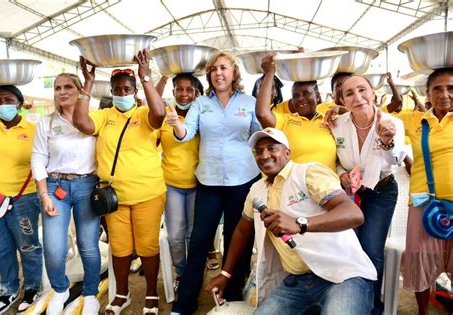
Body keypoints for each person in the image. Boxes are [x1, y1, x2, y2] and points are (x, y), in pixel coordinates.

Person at [206, 127, 377, 314]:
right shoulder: (256, 190)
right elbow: (242, 231)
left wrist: (299, 224)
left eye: (272, 148)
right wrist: (225, 274)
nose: (264, 155)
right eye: (259, 151)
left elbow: (353, 213)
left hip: (343, 274)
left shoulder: (308, 173)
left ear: (287, 152)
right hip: (297, 282)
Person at [73, 49, 166, 315]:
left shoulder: (145, 114)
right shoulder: (105, 116)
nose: (122, 93)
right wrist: (88, 83)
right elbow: (81, 122)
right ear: (112, 91)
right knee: (121, 248)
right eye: (118, 89)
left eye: (127, 89)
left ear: (135, 91)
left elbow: (159, 114)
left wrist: (146, 78)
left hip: (148, 194)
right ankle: (121, 294)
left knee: (148, 247)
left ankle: (150, 294)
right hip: (114, 199)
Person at [167, 51, 261, 314]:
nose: (218, 73)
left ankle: (233, 295)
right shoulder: (201, 104)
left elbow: (258, 135)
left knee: (237, 241)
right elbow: (187, 134)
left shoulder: (249, 102)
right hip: (208, 181)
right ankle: (185, 303)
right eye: (213, 69)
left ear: (233, 72)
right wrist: (177, 124)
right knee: (199, 241)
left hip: (243, 180)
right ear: (209, 75)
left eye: (223, 68)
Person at [328, 75, 406, 314]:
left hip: (381, 192)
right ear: (342, 100)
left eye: (363, 90)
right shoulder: (337, 123)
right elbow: (337, 160)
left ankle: (372, 305)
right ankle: (353, 300)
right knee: (349, 249)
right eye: (349, 93)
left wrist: (387, 140)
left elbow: (396, 161)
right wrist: (341, 174)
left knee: (372, 250)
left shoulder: (391, 123)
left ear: (373, 93)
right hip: (350, 194)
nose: (357, 97)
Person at [31, 73, 101, 314]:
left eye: (68, 87)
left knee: (88, 245)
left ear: (79, 90)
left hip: (87, 185)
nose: (62, 92)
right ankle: (60, 289)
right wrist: (43, 194)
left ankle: (91, 293)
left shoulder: (94, 120)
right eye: (58, 88)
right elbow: (38, 157)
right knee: (54, 247)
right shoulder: (47, 123)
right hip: (55, 186)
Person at [0, 85, 42, 313]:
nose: (2, 104)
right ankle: (8, 289)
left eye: (8, 99)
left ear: (19, 102)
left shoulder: (34, 129)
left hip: (24, 199)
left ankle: (33, 288)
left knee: (28, 246)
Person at [397, 67, 452, 315]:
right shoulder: (414, 121)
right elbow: (375, 116)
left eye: (451, 88)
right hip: (423, 205)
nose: (445, 94)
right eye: (437, 89)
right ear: (427, 94)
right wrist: (339, 111)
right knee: (421, 262)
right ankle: (422, 312)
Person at [156, 73, 201, 290]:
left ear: (195, 92)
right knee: (175, 235)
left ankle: (193, 274)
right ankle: (181, 273)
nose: (184, 94)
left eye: (189, 90)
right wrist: (163, 76)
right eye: (179, 90)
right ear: (173, 92)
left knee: (194, 234)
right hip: (171, 184)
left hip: (198, 184)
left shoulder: (201, 113)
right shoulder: (163, 115)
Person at [255, 53, 337, 171]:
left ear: (317, 96)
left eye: (306, 93)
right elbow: (262, 113)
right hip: (297, 187)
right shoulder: (287, 120)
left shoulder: (329, 118)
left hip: (329, 186)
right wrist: (269, 73)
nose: (300, 98)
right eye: (295, 95)